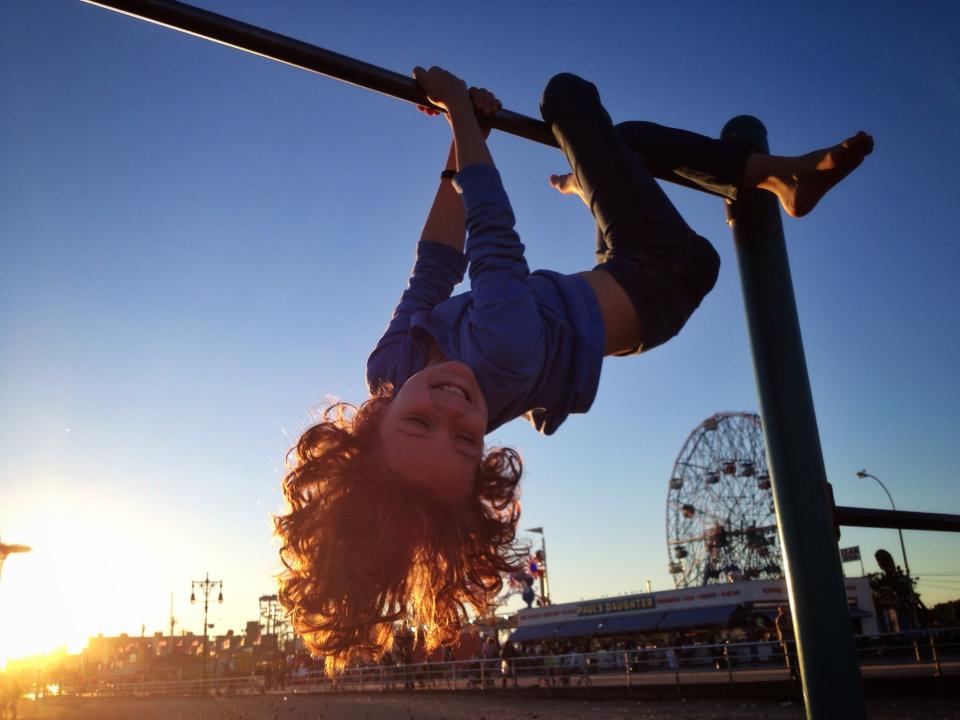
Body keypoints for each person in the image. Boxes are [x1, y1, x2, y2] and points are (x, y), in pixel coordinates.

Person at [275, 67, 873, 674]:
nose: (454, 407)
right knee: (565, 98)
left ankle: (760, 178)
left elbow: (434, 263)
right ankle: (758, 175)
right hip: (664, 275)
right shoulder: (501, 353)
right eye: (464, 439)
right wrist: (458, 108)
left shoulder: (389, 365)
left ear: (373, 422)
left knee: (625, 142)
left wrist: (466, 137)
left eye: (420, 423)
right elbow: (490, 234)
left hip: (608, 280)